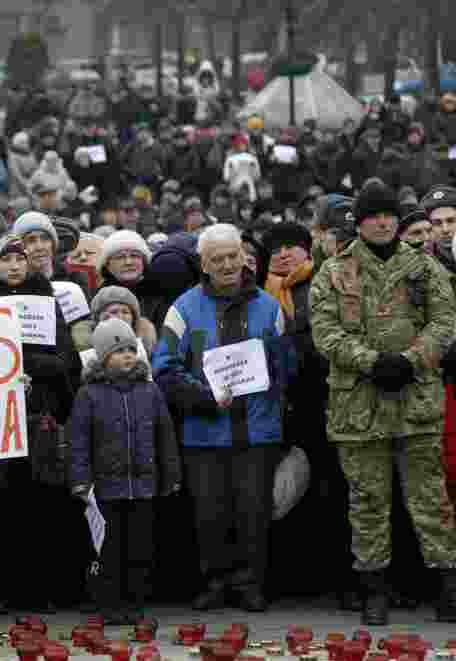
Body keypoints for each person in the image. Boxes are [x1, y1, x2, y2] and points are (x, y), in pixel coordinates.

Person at [310, 181, 456, 625]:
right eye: (374, 215)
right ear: (361, 221)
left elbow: (446, 321)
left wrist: (411, 361)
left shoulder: (427, 269)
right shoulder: (334, 271)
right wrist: (372, 363)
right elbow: (326, 332)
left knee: (430, 500)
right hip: (360, 406)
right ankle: (374, 588)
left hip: (416, 401)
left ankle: (447, 586)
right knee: (368, 500)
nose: (383, 222)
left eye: (389, 214)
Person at [152, 223, 291, 613]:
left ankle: (250, 584)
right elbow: (164, 369)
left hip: (257, 430)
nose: (228, 264)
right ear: (204, 264)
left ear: (245, 257)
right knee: (209, 514)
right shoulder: (183, 309)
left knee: (253, 512)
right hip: (203, 433)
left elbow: (285, 370)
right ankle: (213, 581)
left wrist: (274, 410)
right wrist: (202, 397)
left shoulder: (269, 307)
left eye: (233, 256)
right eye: (218, 259)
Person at [0, 233, 80, 613]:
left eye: (19, 259)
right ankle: (4, 590)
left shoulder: (46, 299)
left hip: (40, 418)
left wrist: (23, 363)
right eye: (5, 259)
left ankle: (43, 591)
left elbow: (65, 360)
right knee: (4, 507)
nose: (13, 266)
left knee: (43, 507)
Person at [68, 317, 181, 625]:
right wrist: (80, 480)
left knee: (140, 549)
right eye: (119, 351)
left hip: (143, 487)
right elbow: (78, 440)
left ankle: (136, 603)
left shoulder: (150, 391)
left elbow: (165, 435)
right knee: (108, 550)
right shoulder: (89, 394)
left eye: (131, 349)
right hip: (105, 489)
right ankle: (109, 604)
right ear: (103, 356)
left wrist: (170, 474)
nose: (127, 356)